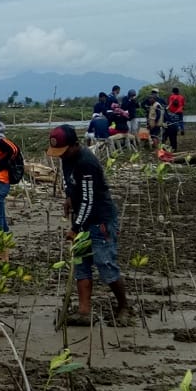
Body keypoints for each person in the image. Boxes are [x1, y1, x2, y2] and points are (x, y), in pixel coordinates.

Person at [46, 125, 129, 325]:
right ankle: (84, 312)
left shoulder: (87, 163)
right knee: (81, 265)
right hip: (81, 218)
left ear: (75, 145)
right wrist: (68, 198)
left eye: (64, 151)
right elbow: (69, 183)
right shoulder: (67, 159)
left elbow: (88, 201)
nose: (61, 156)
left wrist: (75, 228)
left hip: (99, 220)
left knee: (104, 263)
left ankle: (124, 307)